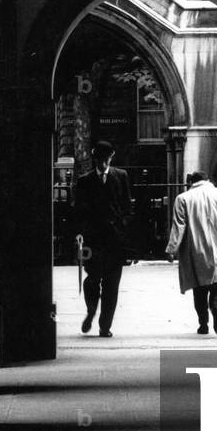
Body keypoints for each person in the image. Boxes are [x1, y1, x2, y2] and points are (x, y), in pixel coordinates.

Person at [165, 171, 217, 335]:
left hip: (197, 248)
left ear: (191, 182)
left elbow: (179, 226)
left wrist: (172, 249)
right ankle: (216, 306)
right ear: (208, 180)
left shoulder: (183, 198)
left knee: (199, 288)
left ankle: (203, 324)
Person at [73, 140, 133, 338]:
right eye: (100, 159)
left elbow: (127, 207)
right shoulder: (84, 181)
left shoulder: (121, 176)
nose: (103, 163)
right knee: (92, 279)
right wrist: (80, 232)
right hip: (94, 240)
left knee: (112, 285)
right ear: (95, 159)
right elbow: (79, 211)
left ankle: (105, 325)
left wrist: (126, 236)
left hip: (116, 240)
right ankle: (91, 310)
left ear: (111, 157)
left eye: (106, 159)